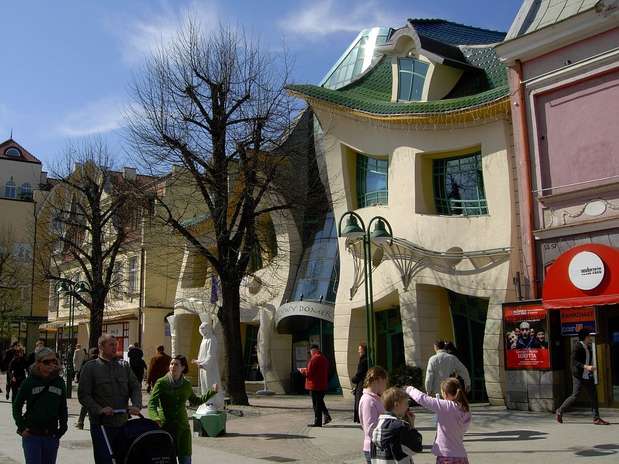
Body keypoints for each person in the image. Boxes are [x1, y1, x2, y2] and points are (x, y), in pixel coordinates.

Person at [78, 334, 142, 464]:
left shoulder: (123, 366)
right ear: (101, 346)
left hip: (122, 423)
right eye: (111, 345)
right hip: (101, 424)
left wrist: (136, 404)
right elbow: (84, 395)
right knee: (105, 459)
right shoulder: (91, 367)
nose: (115, 348)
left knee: (123, 459)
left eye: (116, 345)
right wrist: (99, 409)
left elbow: (135, 386)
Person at [148, 355, 217, 464]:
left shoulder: (186, 384)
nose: (173, 366)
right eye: (171, 364)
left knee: (185, 459)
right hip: (166, 428)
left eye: (176, 364)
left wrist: (211, 392)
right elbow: (152, 404)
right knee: (167, 458)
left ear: (183, 368)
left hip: (183, 429)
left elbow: (195, 401)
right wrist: (155, 417)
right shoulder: (161, 383)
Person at [12, 347, 68, 464]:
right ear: (38, 364)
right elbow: (17, 406)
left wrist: (63, 428)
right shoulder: (29, 382)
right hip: (32, 434)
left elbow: (63, 407)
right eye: (46, 362)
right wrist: (21, 427)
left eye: (54, 361)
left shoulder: (59, 382)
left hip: (51, 435)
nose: (51, 364)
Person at [406, 378, 471, 464]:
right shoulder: (466, 410)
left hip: (446, 457)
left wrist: (409, 389)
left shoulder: (446, 406)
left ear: (445, 394)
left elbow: (423, 399)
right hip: (461, 456)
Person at [556, 329, 609, 425]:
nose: (590, 337)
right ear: (585, 337)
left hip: (587, 375)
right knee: (575, 396)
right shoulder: (577, 346)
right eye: (589, 336)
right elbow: (573, 361)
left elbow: (587, 360)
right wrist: (586, 366)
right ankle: (560, 410)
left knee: (594, 396)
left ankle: (596, 418)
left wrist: (590, 369)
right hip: (578, 375)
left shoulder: (588, 347)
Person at [370, 387, 422, 464]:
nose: (408, 406)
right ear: (397, 405)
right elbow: (416, 447)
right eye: (406, 403)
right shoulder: (401, 427)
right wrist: (412, 427)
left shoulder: (378, 425)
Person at [358, 366, 387, 464]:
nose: (385, 386)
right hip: (374, 448)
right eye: (385, 382)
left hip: (378, 447)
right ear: (378, 380)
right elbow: (370, 428)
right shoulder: (368, 400)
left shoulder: (374, 398)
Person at [298, 344, 331, 427]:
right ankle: (326, 416)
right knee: (319, 402)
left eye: (311, 351)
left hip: (314, 385)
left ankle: (318, 422)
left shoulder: (314, 359)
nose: (310, 353)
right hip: (322, 384)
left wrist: (303, 371)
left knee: (316, 404)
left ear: (314, 350)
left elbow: (309, 373)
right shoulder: (324, 358)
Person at [75, 347, 99, 430]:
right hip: (98, 388)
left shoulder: (87, 362)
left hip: (88, 387)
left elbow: (80, 373)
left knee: (85, 405)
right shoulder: (101, 362)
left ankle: (80, 422)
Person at [351, 342, 368, 423]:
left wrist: (353, 379)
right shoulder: (364, 360)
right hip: (362, 383)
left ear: (364, 351)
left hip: (361, 383)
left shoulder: (363, 361)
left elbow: (359, 374)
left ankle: (360, 418)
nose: (358, 351)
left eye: (360, 350)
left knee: (359, 402)